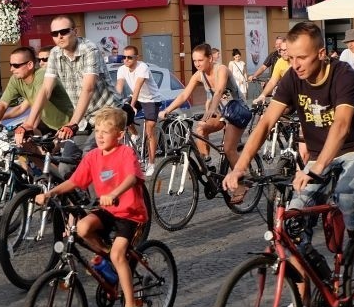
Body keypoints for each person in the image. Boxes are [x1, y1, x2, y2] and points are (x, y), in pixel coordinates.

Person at [222, 21, 354, 307]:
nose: (295, 64)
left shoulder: (343, 75)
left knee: (346, 194)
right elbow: (266, 122)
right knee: (290, 227)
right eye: (291, 57)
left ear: (321, 53)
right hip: (319, 156)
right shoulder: (291, 79)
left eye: (303, 58)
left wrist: (317, 168)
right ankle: (303, 296)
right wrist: (241, 166)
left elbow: (341, 126)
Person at [34, 107, 148, 307]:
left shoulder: (125, 154)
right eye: (97, 130)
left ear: (119, 134)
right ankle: (109, 259)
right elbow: (75, 181)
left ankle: (130, 304)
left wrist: (114, 194)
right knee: (83, 228)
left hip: (130, 213)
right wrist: (50, 193)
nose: (100, 135)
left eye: (107, 131)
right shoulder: (94, 156)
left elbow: (132, 177)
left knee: (118, 254)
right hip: (108, 211)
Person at [18, 15, 129, 151]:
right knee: (66, 164)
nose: (59, 36)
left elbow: (88, 88)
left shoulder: (89, 49)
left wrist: (72, 124)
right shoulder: (54, 54)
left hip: (107, 112)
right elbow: (46, 89)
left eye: (64, 31)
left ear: (75, 32)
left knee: (88, 155)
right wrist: (29, 123)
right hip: (82, 118)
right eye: (54, 33)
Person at [159, 43, 249, 201]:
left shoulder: (221, 69)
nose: (197, 64)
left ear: (210, 58)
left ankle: (241, 183)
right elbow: (183, 95)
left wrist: (212, 109)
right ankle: (209, 167)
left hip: (236, 111)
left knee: (228, 149)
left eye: (200, 60)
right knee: (200, 129)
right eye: (194, 61)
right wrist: (167, 110)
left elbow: (220, 90)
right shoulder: (199, 75)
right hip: (221, 112)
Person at [0, 46, 73, 142]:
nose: (11, 69)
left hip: (70, 125)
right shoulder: (15, 80)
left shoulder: (42, 74)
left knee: (59, 153)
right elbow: (4, 105)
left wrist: (28, 125)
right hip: (49, 125)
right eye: (10, 65)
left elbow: (40, 102)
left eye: (16, 65)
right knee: (24, 146)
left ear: (30, 65)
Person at [114, 45, 162, 177]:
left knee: (150, 129)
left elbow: (137, 87)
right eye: (124, 57)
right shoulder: (122, 69)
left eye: (130, 57)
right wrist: (116, 104)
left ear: (137, 58)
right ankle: (135, 135)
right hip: (138, 97)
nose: (126, 60)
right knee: (122, 114)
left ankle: (151, 163)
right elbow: (119, 87)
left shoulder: (142, 67)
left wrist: (133, 105)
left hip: (151, 99)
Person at [253, 38, 290, 104]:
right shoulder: (278, 60)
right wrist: (262, 95)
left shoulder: (298, 61)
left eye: (286, 50)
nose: (283, 52)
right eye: (281, 50)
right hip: (282, 89)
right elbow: (272, 81)